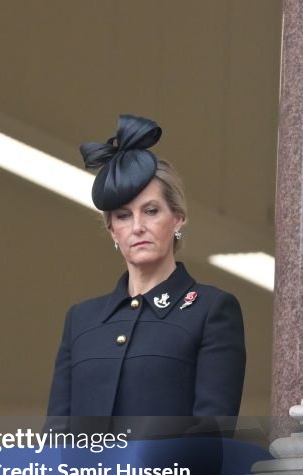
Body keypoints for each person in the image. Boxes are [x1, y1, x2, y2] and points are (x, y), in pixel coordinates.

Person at [46, 114, 246, 419]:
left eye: (151, 211)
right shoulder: (81, 320)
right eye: (123, 216)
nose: (137, 226)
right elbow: (56, 437)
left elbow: (211, 436)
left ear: (177, 217)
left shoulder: (211, 310)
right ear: (113, 230)